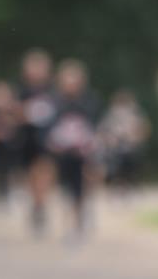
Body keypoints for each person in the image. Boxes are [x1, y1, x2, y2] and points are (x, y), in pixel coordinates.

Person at [46, 58, 100, 242]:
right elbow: (47, 128)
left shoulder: (89, 101)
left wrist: (88, 143)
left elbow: (94, 127)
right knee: (65, 190)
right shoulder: (54, 102)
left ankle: (78, 220)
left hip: (83, 154)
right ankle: (69, 225)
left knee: (81, 187)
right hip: (62, 154)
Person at [16, 49, 59, 235]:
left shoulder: (54, 91)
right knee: (30, 174)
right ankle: (36, 202)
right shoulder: (21, 91)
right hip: (26, 138)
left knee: (45, 170)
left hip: (47, 139)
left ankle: (41, 204)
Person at [97, 89, 151, 191]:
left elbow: (143, 130)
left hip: (131, 147)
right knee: (112, 159)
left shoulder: (136, 115)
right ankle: (116, 182)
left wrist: (134, 138)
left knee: (130, 157)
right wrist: (110, 140)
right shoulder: (110, 116)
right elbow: (102, 132)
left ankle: (128, 181)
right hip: (114, 147)